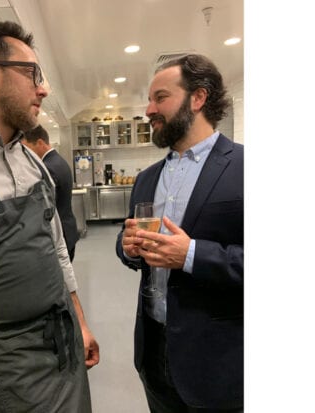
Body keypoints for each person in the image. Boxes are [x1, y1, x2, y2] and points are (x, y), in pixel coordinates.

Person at [0, 21, 99, 412]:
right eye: (32, 74)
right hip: (3, 358)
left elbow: (57, 247)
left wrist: (80, 321)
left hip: (61, 337)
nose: (43, 88)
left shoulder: (28, 159)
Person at [115, 54, 243, 412]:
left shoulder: (245, 168)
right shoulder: (147, 179)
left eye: (160, 97)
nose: (148, 109)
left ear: (198, 98)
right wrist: (128, 248)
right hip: (154, 354)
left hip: (219, 364)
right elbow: (126, 246)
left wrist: (190, 255)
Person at [22, 124, 80, 261]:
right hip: (69, 230)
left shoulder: (47, 168)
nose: (26, 153)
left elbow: (45, 208)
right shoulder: (59, 161)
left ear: (40, 143)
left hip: (60, 235)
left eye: (27, 148)